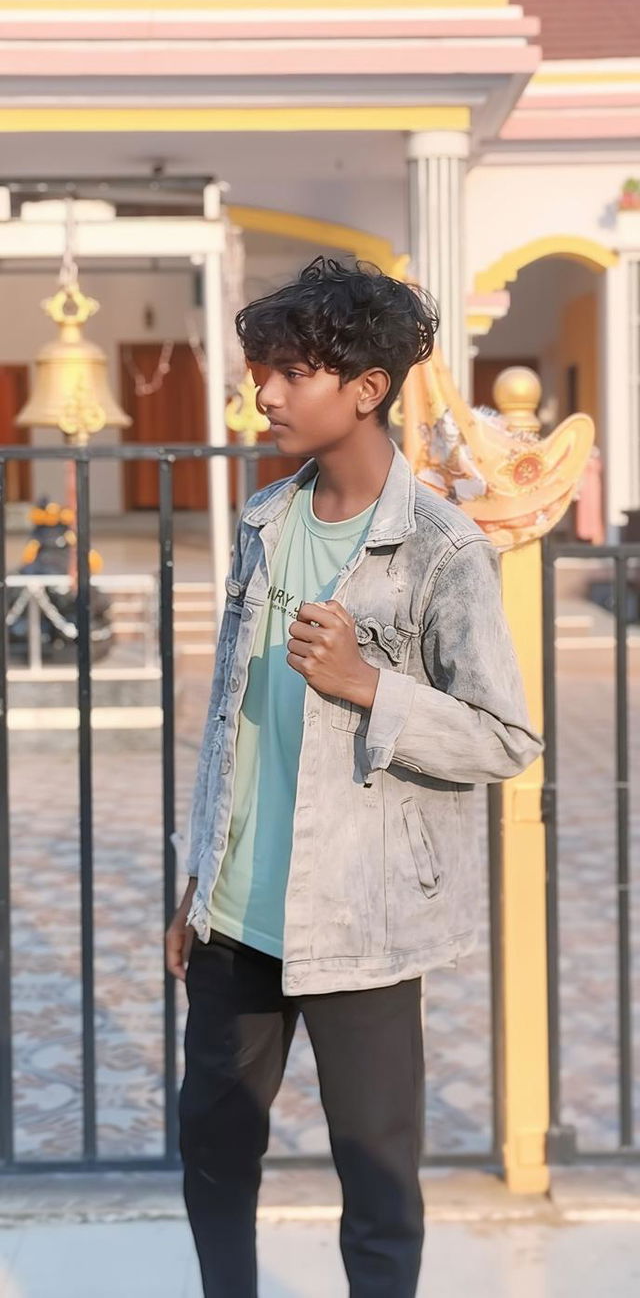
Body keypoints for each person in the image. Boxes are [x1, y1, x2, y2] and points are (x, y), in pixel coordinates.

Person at [167, 257, 543, 1298]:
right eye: (260, 371)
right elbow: (228, 724)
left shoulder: (440, 549)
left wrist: (372, 688)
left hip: (363, 925)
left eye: (290, 372)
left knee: (377, 1190)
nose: (265, 395)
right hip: (235, 917)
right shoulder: (261, 522)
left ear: (366, 389)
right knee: (212, 1155)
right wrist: (195, 876)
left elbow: (506, 739)